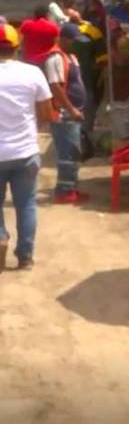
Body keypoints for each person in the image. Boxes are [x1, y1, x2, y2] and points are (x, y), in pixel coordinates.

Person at [0, 23, 53, 271]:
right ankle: (25, 256)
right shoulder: (32, 73)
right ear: (17, 47)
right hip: (25, 151)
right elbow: (46, 112)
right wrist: (31, 126)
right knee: (26, 204)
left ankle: (0, 238)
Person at [43, 23, 88, 204]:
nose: (76, 44)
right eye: (73, 40)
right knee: (67, 153)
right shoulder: (55, 58)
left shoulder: (70, 56)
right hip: (63, 114)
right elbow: (55, 87)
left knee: (73, 151)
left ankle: (71, 187)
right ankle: (64, 191)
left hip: (74, 112)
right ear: (63, 38)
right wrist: (71, 109)